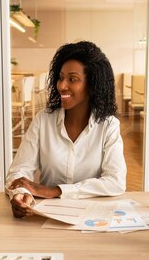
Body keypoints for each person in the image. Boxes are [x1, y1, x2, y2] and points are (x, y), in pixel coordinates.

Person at [7, 41, 127, 217]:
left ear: (92, 84)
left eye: (72, 79)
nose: (62, 85)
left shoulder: (108, 125)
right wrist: (21, 195)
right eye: (61, 77)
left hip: (93, 217)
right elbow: (19, 171)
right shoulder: (43, 120)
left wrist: (56, 191)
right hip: (47, 216)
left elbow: (115, 181)